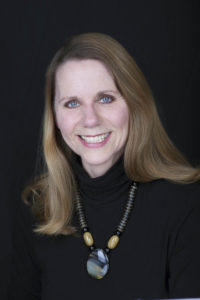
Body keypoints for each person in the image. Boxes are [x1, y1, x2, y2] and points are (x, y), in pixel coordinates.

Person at [8, 32, 200, 299]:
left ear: (135, 103)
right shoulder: (39, 208)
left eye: (106, 98)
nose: (90, 119)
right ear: (55, 117)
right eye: (72, 103)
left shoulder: (187, 206)